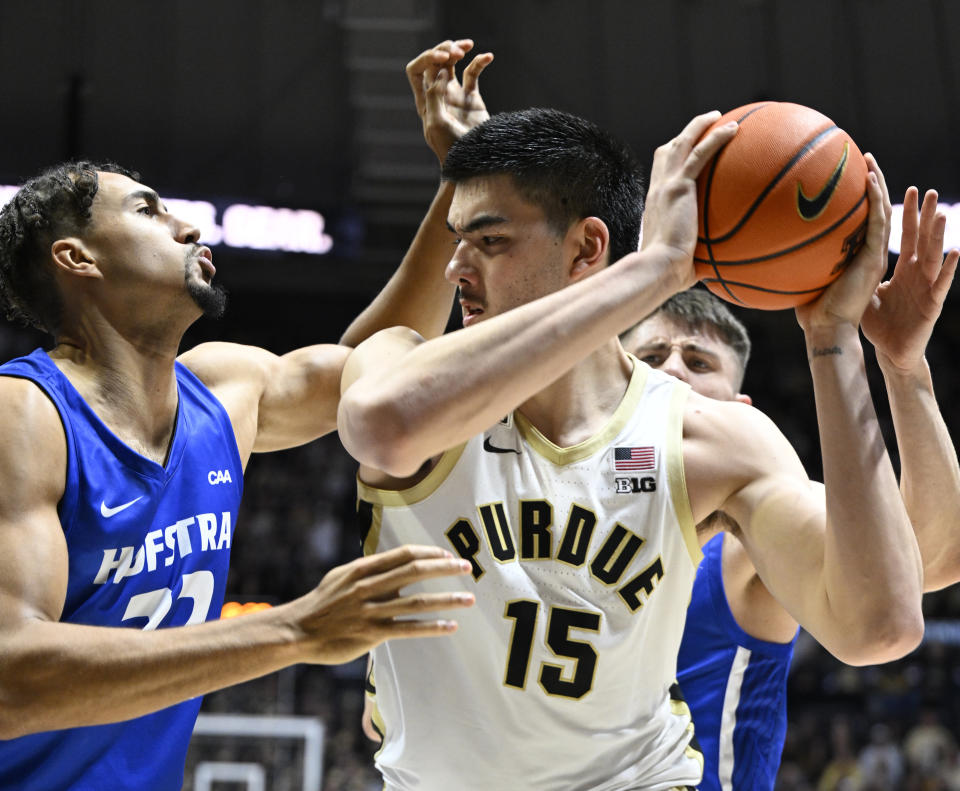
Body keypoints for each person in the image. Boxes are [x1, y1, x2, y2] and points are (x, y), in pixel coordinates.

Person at [336, 44, 927, 790]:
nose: (457, 269)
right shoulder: (396, 361)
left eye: (488, 242)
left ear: (588, 247)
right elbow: (381, 427)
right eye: (458, 242)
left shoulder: (708, 439)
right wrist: (655, 268)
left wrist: (834, 339)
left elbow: (880, 625)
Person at [0, 153, 479, 790]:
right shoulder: (24, 413)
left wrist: (461, 179)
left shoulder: (225, 389)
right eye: (148, 211)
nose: (188, 228)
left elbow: (386, 379)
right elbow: (11, 677)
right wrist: (295, 628)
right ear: (78, 258)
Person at [620, 178, 959, 791]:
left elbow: (927, 559)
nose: (671, 369)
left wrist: (904, 371)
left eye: (698, 363)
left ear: (740, 408)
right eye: (651, 358)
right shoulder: (544, 498)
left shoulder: (748, 530)